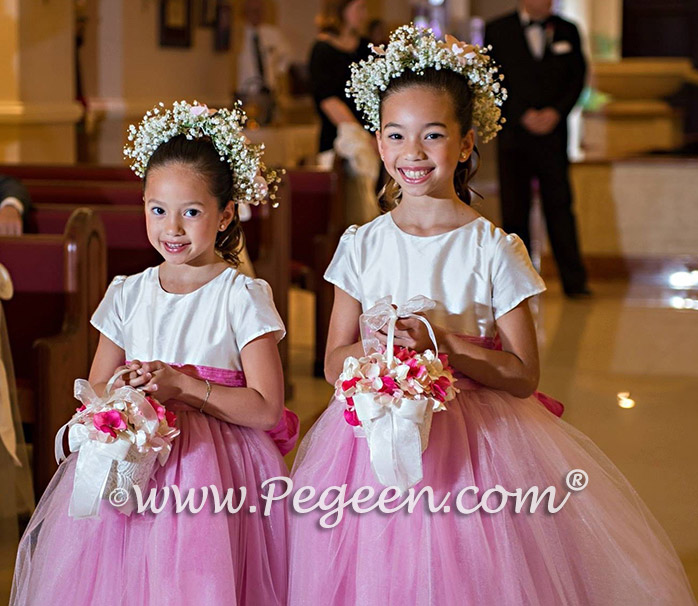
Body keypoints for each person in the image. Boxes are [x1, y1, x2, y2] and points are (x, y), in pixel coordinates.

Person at [287, 26, 696, 605]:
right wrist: (377, 351)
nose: (414, 153)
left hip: (477, 445)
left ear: (466, 141)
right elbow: (333, 363)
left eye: (433, 135)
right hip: (372, 439)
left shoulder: (491, 249)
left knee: (470, 574)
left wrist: (447, 350)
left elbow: (525, 375)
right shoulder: (360, 246)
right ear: (379, 144)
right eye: (397, 135)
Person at [11, 101, 298, 605]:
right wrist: (119, 395)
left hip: (216, 473)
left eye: (192, 212)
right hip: (133, 461)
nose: (173, 228)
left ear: (225, 213)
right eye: (158, 210)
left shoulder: (240, 295)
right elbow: (96, 389)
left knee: (198, 582)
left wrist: (185, 387)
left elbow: (267, 406)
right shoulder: (127, 293)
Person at [485, 0, 591, 298]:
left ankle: (574, 281)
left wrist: (557, 112)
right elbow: (492, 79)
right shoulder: (498, 30)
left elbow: (577, 77)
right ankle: (517, 284)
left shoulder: (568, 30)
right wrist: (522, 114)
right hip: (514, 136)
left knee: (560, 206)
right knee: (514, 209)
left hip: (554, 135)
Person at [309, 0, 370, 165]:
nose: (364, 15)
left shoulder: (365, 47)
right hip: (338, 140)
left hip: (370, 139)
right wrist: (362, 137)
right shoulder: (322, 50)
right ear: (341, 10)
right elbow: (328, 100)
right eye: (360, 8)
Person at [235, 0, 290, 124]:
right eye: (252, 11)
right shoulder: (237, 34)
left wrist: (276, 74)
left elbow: (285, 56)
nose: (256, 15)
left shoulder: (272, 34)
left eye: (259, 11)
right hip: (245, 92)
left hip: (267, 90)